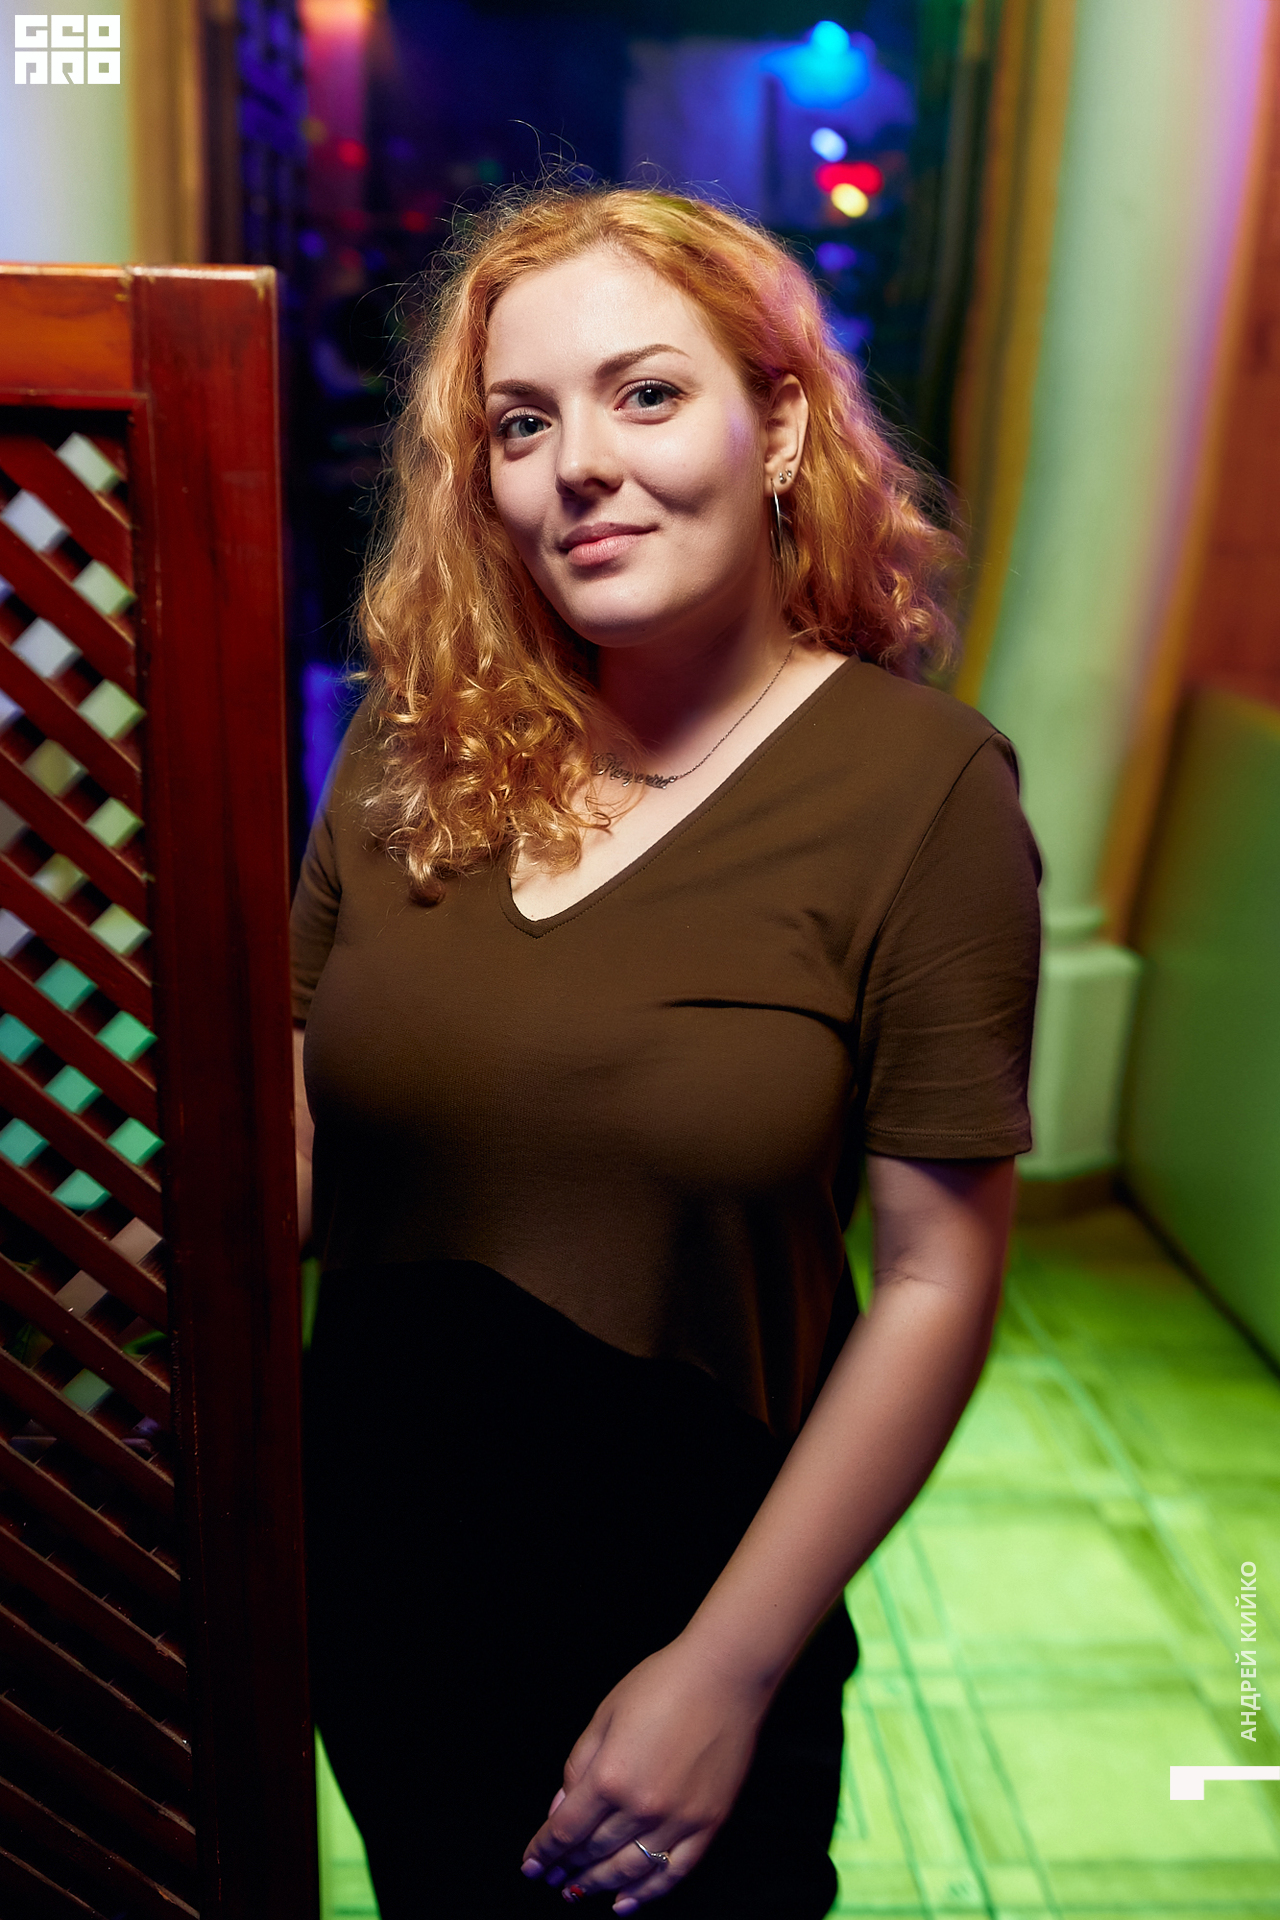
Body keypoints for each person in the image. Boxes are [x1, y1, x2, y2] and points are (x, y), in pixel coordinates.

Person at [291, 185, 1040, 1919]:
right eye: (521, 424)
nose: (581, 467)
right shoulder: (408, 750)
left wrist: (729, 1667)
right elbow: (305, 1141)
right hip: (382, 1588)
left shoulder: (920, 790)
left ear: (775, 427)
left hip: (685, 1605)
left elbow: (938, 1280)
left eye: (645, 393)